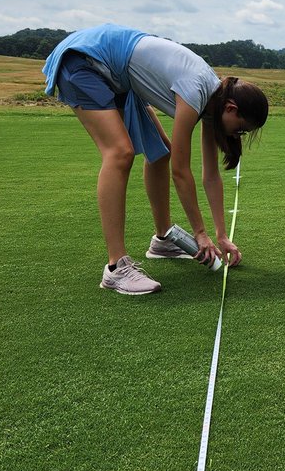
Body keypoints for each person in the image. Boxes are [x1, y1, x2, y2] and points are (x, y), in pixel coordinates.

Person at [42, 24, 268, 295]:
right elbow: (181, 172)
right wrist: (200, 233)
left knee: (160, 151)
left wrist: (220, 236)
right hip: (84, 60)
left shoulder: (214, 102)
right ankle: (116, 268)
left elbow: (211, 176)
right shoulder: (196, 91)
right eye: (240, 129)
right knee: (119, 153)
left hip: (118, 76)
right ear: (231, 108)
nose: (237, 136)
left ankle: (163, 239)